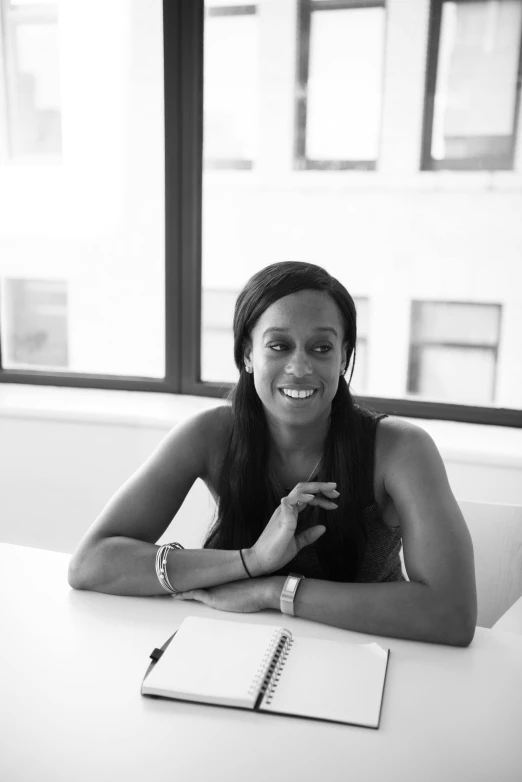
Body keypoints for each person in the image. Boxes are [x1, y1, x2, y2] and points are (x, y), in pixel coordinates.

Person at [68, 261, 477, 646]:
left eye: (321, 348)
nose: (299, 367)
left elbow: (453, 614)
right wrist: (250, 560)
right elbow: (91, 563)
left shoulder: (400, 448)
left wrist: (273, 590)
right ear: (248, 354)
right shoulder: (211, 434)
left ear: (345, 356)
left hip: (374, 660)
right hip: (239, 647)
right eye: (279, 346)